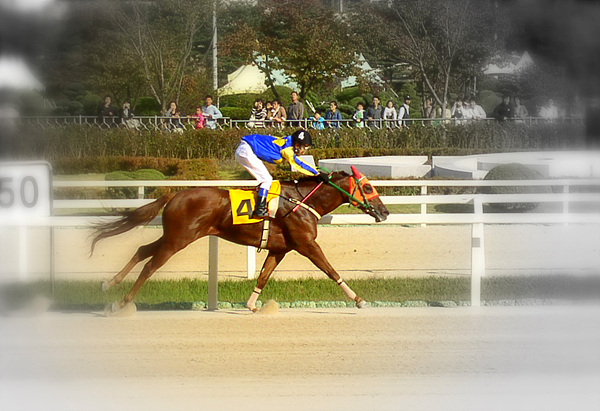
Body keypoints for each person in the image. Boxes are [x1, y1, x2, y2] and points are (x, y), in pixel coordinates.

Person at [234, 130, 328, 218]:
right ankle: (260, 209)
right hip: (246, 150)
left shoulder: (287, 142)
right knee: (266, 179)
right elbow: (299, 164)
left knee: (266, 179)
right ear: (297, 144)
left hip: (246, 148)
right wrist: (317, 173)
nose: (304, 150)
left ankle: (260, 202)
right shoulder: (287, 150)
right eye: (304, 147)